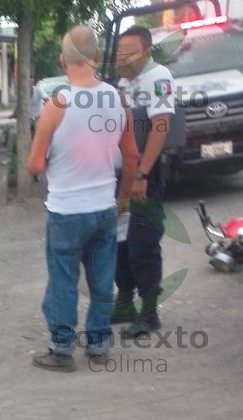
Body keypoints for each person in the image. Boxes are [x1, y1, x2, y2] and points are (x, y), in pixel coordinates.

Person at [27, 26, 140, 372]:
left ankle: (61, 349)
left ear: (63, 59)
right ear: (95, 58)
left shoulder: (56, 104)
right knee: (101, 277)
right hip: (104, 207)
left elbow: (34, 163)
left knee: (63, 279)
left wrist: (47, 161)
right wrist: (123, 198)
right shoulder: (118, 101)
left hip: (65, 211)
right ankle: (98, 343)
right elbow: (132, 157)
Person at [113, 26, 175, 336]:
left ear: (147, 51)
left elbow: (160, 126)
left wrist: (142, 174)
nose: (123, 57)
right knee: (120, 240)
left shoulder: (158, 77)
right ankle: (125, 302)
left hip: (144, 175)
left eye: (130, 52)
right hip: (122, 174)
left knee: (143, 243)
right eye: (120, 52)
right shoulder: (124, 81)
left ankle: (149, 314)